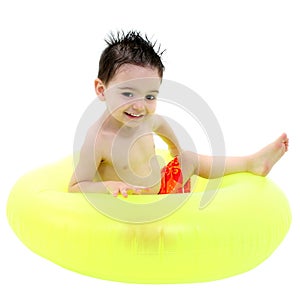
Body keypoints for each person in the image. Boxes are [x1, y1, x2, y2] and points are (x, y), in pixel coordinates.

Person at [69, 31, 289, 197]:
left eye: (150, 97)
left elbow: (160, 124)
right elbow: (76, 186)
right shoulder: (98, 139)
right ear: (101, 90)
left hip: (163, 190)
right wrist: (109, 186)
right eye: (128, 93)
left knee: (189, 158)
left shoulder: (144, 120)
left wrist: (174, 146)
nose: (139, 106)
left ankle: (252, 162)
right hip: (135, 204)